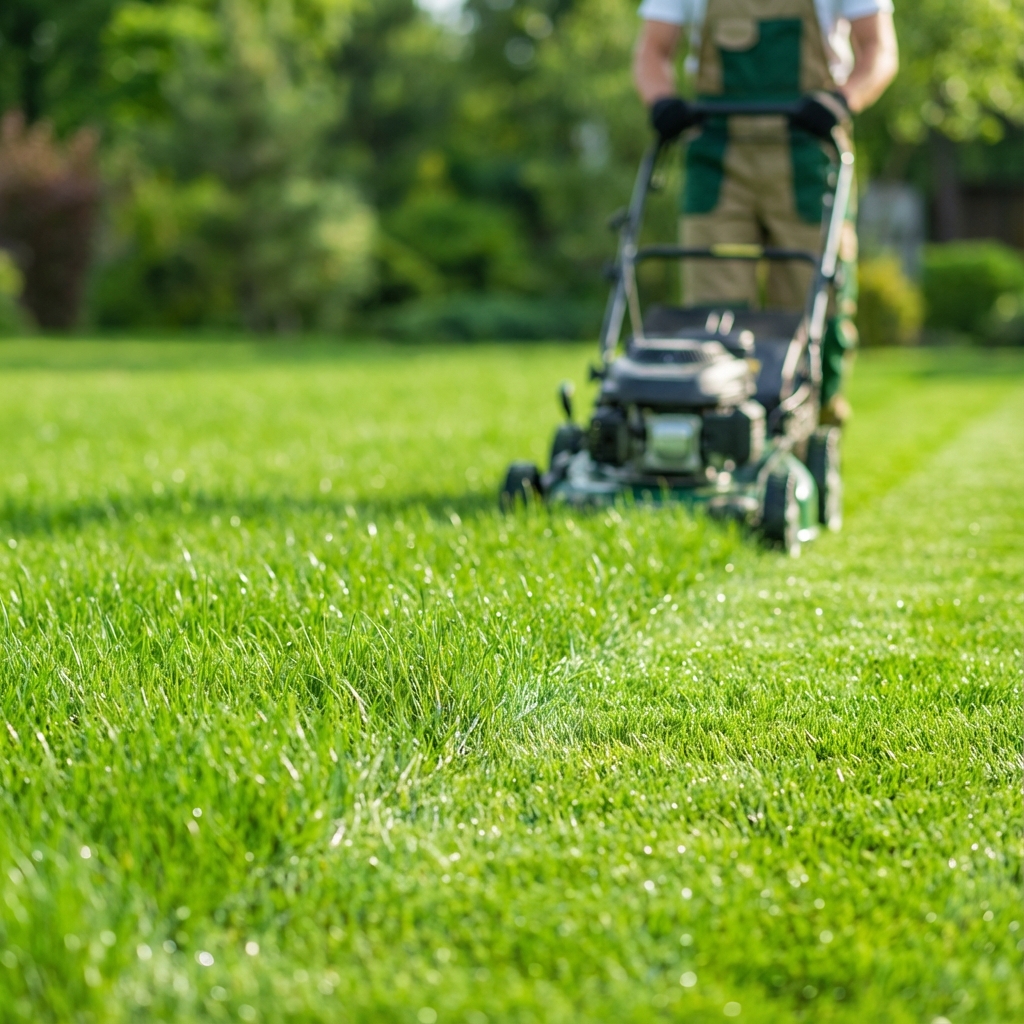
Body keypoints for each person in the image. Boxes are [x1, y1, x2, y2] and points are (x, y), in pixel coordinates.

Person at [633, 0, 898, 423]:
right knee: (712, 308)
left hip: (808, 151)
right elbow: (652, 50)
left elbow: (879, 49)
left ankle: (814, 422)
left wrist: (842, 100)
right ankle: (719, 425)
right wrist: (661, 102)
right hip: (717, 154)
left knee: (813, 298)